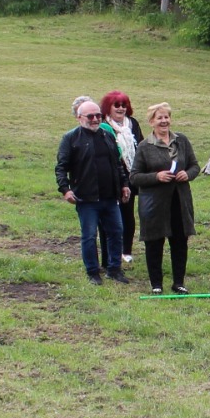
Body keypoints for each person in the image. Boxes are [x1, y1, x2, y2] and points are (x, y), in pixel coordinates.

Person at [54, 97, 132, 284]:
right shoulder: (70, 138)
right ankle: (92, 272)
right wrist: (65, 190)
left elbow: (117, 164)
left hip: (110, 197)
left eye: (98, 115)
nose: (95, 119)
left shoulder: (107, 136)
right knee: (89, 236)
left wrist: (124, 185)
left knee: (116, 232)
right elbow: (61, 167)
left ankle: (114, 269)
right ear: (79, 118)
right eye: (91, 116)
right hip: (86, 199)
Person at [129, 102, 200, 294]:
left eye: (166, 117)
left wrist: (188, 174)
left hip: (179, 201)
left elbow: (195, 166)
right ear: (151, 122)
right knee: (154, 242)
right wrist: (156, 176)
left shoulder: (182, 141)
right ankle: (156, 285)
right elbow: (134, 177)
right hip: (154, 203)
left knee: (179, 242)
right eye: (159, 118)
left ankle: (179, 283)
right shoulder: (145, 146)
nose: (164, 121)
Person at [100, 91, 144, 268]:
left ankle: (126, 251)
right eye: (116, 105)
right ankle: (110, 253)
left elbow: (140, 146)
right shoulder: (103, 126)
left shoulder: (132, 124)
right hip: (111, 177)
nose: (120, 108)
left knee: (128, 214)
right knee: (109, 215)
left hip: (131, 175)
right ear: (108, 108)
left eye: (123, 105)